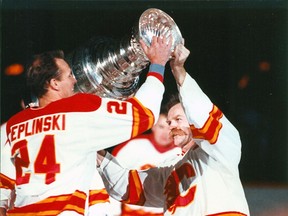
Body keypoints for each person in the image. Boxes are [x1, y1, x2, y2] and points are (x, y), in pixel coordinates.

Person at [0, 36, 173, 215]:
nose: (74, 80)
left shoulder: (13, 125)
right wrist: (157, 65)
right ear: (54, 84)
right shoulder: (78, 108)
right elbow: (144, 114)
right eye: (69, 75)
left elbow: (2, 190)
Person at [96, 43, 250, 215]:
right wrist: (94, 150)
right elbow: (128, 186)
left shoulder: (223, 148)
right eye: (169, 122)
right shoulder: (170, 168)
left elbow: (201, 112)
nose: (172, 126)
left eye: (178, 119)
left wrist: (178, 70)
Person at [109, 110, 182, 216]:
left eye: (169, 128)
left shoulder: (181, 152)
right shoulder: (132, 146)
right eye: (161, 127)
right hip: (129, 211)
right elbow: (111, 178)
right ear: (153, 126)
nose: (165, 133)